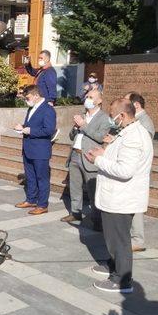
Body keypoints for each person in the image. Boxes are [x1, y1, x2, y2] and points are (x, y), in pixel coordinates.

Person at [85, 98, 154, 293]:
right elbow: (118, 158)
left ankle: (122, 279)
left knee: (119, 240)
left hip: (121, 198)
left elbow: (125, 170)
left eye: (112, 114)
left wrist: (98, 160)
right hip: (115, 196)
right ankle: (113, 265)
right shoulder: (126, 132)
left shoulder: (134, 137)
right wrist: (103, 153)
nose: (110, 118)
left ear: (122, 115)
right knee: (114, 238)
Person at [61, 89, 110, 228]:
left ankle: (97, 218)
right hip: (75, 154)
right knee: (75, 186)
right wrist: (76, 127)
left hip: (90, 156)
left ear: (99, 101)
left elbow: (100, 137)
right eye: (87, 96)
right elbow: (71, 136)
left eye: (91, 97)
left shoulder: (104, 118)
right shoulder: (82, 115)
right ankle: (76, 212)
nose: (87, 99)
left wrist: (83, 125)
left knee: (93, 189)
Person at [14, 85, 57, 215]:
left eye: (28, 97)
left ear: (36, 95)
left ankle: (42, 204)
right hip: (28, 148)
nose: (26, 100)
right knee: (30, 177)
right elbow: (30, 126)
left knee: (41, 178)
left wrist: (30, 131)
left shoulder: (48, 110)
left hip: (40, 150)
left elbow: (49, 130)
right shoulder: (31, 108)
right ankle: (31, 199)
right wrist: (22, 127)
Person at [124, 92, 156, 252]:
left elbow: (142, 148)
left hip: (138, 172)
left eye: (127, 103)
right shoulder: (137, 120)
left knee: (136, 208)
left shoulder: (145, 122)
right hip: (131, 171)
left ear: (136, 105)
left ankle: (137, 240)